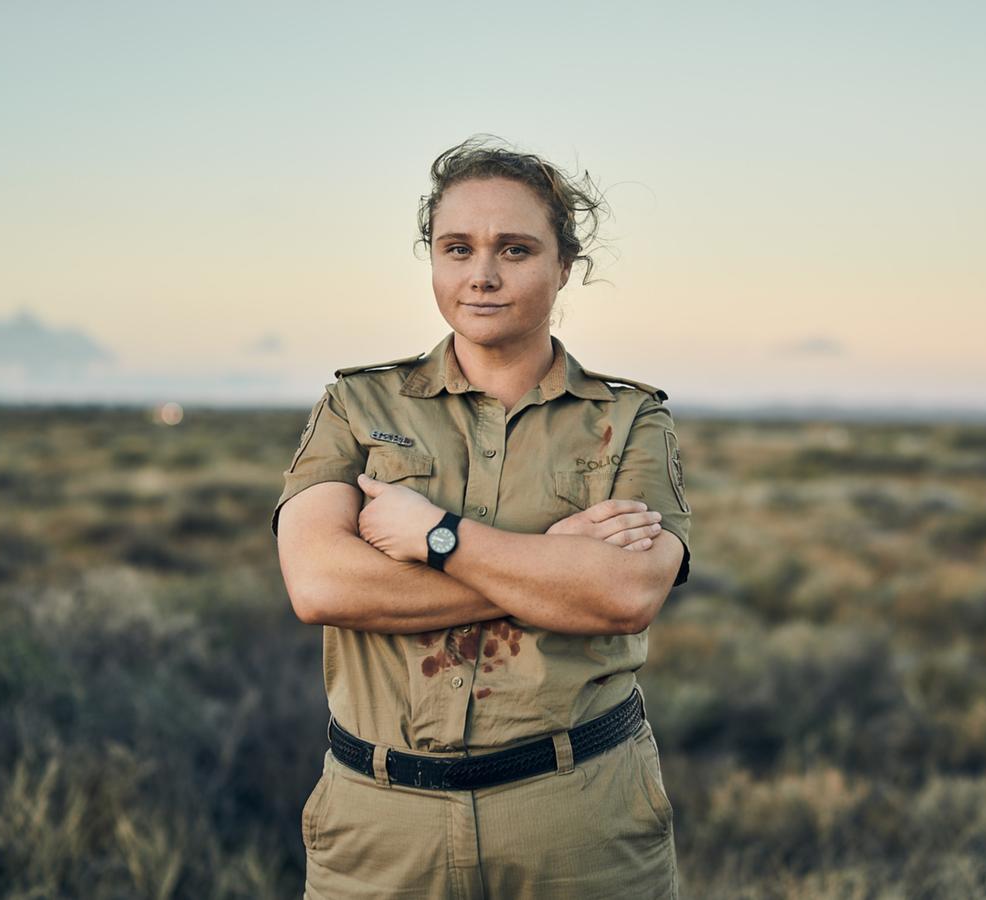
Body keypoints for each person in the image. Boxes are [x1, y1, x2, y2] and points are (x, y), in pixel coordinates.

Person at [271, 135, 693, 899]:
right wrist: (551, 567)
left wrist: (438, 540)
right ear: (431, 258)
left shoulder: (631, 419)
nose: (483, 276)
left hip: (579, 820)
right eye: (457, 248)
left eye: (516, 249)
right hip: (378, 825)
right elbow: (320, 584)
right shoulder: (356, 406)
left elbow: (626, 595)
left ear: (565, 266)